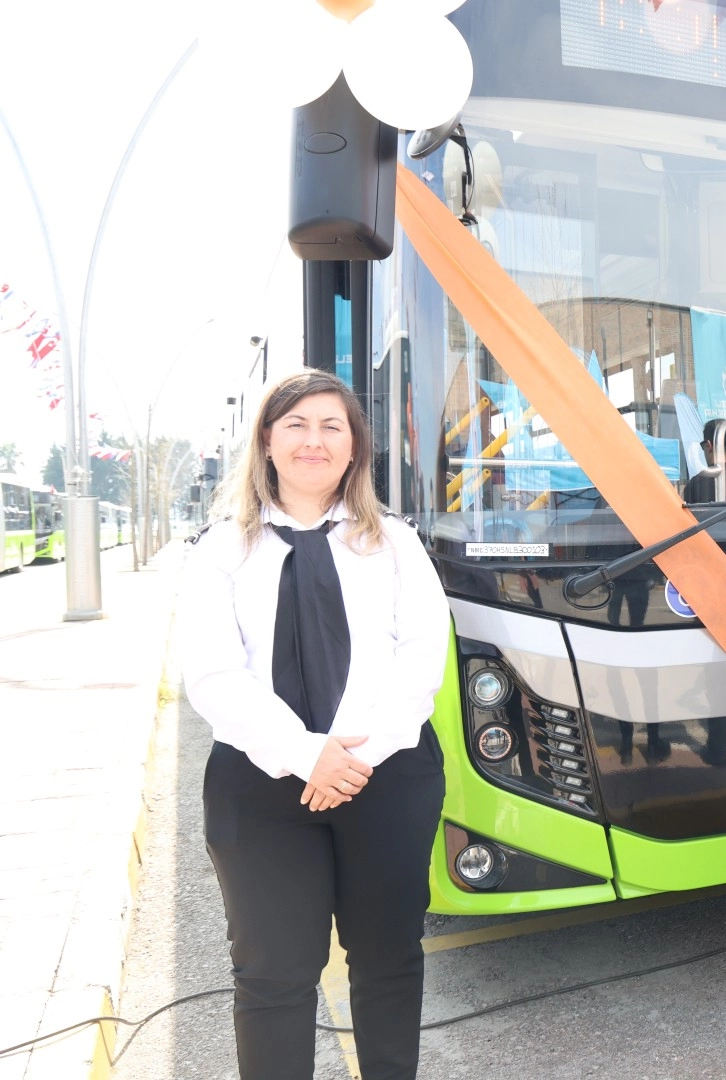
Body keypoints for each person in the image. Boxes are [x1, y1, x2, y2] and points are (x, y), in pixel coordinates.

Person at [178, 370, 450, 1079]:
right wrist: (306, 754)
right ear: (267, 441)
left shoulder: (395, 543)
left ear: (354, 446)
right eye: (296, 424)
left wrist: (353, 759)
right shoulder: (221, 549)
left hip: (386, 774)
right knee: (274, 972)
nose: (314, 440)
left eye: (333, 426)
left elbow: (423, 657)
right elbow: (212, 673)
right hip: (261, 784)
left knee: (389, 957)